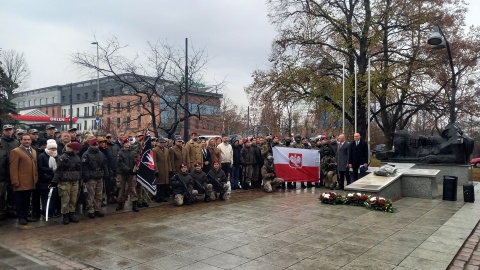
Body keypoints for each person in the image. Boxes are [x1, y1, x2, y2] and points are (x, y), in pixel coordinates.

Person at [9, 134, 38, 225]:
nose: (27, 141)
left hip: (30, 181)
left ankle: (25, 216)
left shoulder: (33, 151)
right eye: (24, 139)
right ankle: (21, 217)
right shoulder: (16, 151)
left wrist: (36, 177)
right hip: (20, 181)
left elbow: (35, 166)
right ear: (20, 141)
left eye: (28, 139)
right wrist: (15, 181)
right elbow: (13, 168)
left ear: (31, 141)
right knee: (20, 201)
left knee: (27, 200)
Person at [51, 142, 83, 225]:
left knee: (73, 198)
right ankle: (65, 215)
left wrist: (80, 177)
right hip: (65, 181)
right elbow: (59, 171)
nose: (78, 151)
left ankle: (72, 213)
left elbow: (79, 169)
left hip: (75, 180)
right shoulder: (63, 158)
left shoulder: (77, 158)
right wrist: (54, 181)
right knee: (65, 199)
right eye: (76, 150)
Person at [82, 138, 109, 218]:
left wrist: (106, 173)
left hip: (99, 176)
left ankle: (97, 209)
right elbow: (84, 166)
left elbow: (104, 164)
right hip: (91, 177)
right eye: (94, 145)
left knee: (99, 194)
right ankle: (90, 210)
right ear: (90, 145)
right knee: (90, 195)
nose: (96, 146)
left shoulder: (101, 154)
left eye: (97, 145)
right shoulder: (86, 154)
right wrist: (87, 176)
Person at [33, 139, 59, 220]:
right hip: (44, 180)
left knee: (53, 197)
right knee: (45, 197)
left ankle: (52, 211)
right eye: (51, 149)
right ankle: (45, 211)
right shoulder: (42, 156)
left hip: (54, 180)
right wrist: (51, 170)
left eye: (55, 149)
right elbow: (40, 168)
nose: (53, 150)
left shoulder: (57, 156)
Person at [0, 124, 19, 220]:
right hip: (2, 173)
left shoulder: (16, 142)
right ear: (3, 131)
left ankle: (11, 210)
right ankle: (2, 211)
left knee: (12, 193)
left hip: (13, 172)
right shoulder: (1, 141)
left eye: (10, 129)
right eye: (6, 130)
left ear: (13, 130)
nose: (8, 131)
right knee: (1, 194)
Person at [116, 138, 139, 212]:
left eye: (128, 142)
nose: (127, 144)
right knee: (121, 188)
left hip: (131, 174)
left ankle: (134, 203)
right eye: (126, 143)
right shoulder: (120, 153)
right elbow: (120, 163)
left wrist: (135, 167)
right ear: (123, 144)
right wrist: (128, 169)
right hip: (122, 173)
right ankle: (120, 202)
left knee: (132, 188)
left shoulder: (133, 153)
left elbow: (135, 161)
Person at [153, 137, 171, 203]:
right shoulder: (154, 150)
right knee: (159, 184)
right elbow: (154, 161)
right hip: (159, 169)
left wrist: (170, 168)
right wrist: (156, 170)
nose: (162, 144)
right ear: (157, 143)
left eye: (163, 142)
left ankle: (162, 196)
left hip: (165, 169)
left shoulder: (166, 150)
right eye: (161, 142)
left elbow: (168, 160)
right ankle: (157, 197)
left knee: (164, 184)